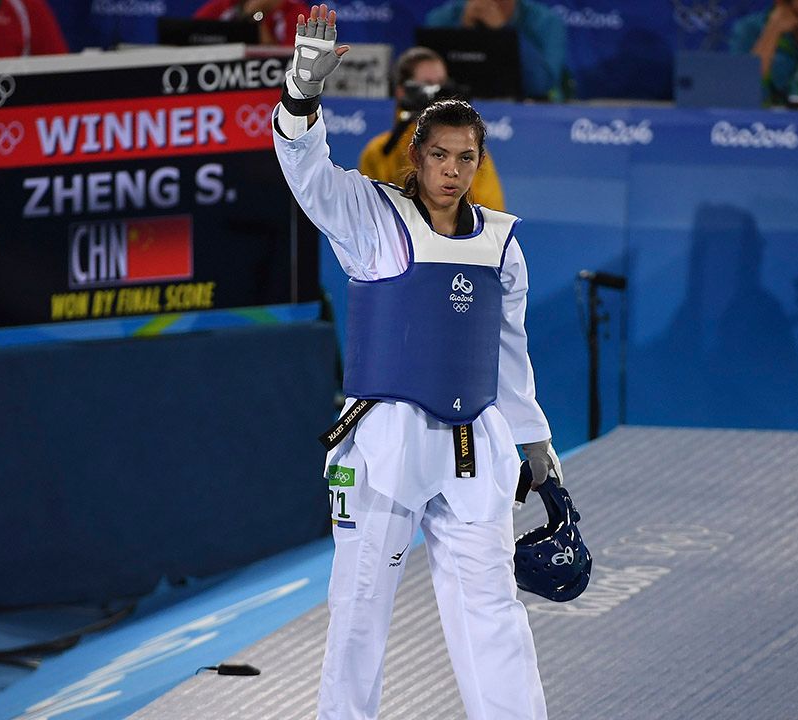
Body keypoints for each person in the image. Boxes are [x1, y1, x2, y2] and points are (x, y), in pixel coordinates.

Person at [273, 6, 561, 718]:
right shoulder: (371, 218)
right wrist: (301, 93)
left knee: (492, 609)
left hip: (475, 446)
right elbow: (307, 173)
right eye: (441, 156)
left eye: (468, 158)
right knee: (359, 610)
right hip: (385, 444)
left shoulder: (502, 244)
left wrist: (539, 450)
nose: (454, 171)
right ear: (416, 154)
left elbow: (510, 355)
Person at [358, 46, 506, 211]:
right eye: (428, 84)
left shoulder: (468, 150)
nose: (438, 94)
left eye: (442, 84)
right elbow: (371, 214)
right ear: (402, 91)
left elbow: (490, 212)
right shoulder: (379, 152)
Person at [424, 0, 568, 101]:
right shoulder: (443, 19)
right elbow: (425, 80)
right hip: (453, 110)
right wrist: (462, 32)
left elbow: (540, 85)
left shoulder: (547, 23)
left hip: (522, 113)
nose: (489, 5)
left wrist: (504, 32)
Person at [193, 0, 310, 46]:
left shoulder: (297, 14)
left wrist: (256, 17)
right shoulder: (226, 6)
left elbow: (284, 63)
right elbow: (190, 34)